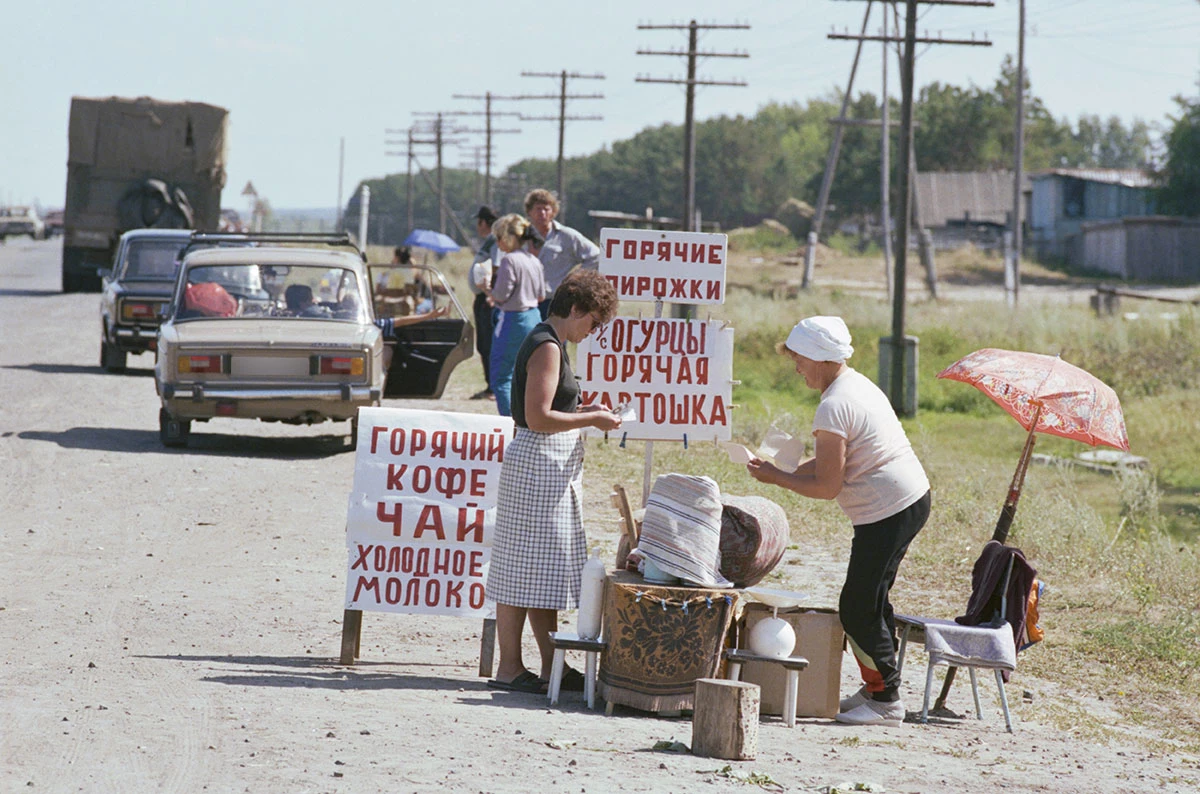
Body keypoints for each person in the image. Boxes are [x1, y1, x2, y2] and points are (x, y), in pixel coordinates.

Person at [746, 316, 931, 728]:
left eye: (799, 359)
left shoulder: (834, 405)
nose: (796, 368)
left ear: (819, 357)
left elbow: (828, 485)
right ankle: (877, 687)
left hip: (889, 509)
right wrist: (785, 468)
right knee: (871, 599)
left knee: (857, 607)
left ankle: (886, 701)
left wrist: (777, 478)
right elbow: (834, 464)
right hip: (903, 502)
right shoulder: (855, 384)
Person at [485, 269, 622, 693]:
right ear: (577, 308)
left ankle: (550, 667)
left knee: (539, 572)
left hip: (544, 467)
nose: (594, 331)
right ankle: (510, 667)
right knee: (518, 570)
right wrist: (592, 417)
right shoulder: (546, 346)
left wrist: (584, 404)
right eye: (594, 321)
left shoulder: (553, 342)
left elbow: (552, 405)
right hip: (536, 467)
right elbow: (539, 416)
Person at [486, 213, 548, 417]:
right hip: (534, 318)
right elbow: (541, 296)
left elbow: (502, 295)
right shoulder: (534, 260)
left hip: (514, 319)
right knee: (525, 374)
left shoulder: (509, 261)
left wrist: (487, 290)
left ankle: (509, 423)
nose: (497, 243)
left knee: (501, 377)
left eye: (499, 238)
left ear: (507, 237)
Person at [523, 189, 600, 319]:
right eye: (538, 209)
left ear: (553, 212)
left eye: (546, 209)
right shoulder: (520, 235)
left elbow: (596, 256)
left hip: (554, 302)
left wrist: (575, 278)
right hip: (523, 302)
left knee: (552, 338)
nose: (542, 213)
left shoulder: (566, 236)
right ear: (529, 211)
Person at [468, 205, 501, 400]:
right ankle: (491, 385)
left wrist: (491, 293)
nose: (477, 226)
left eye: (478, 222)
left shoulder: (494, 241)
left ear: (483, 222)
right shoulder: (488, 242)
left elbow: (497, 267)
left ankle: (493, 387)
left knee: (488, 343)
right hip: (482, 297)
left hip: (488, 299)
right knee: (483, 343)